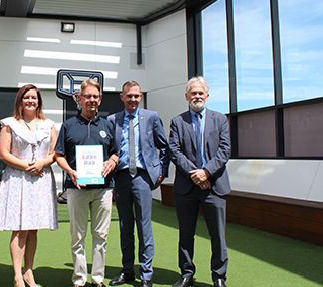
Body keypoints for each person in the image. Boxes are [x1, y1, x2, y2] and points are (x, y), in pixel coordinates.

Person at [55, 78, 120, 287]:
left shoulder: (108, 125)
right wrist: (70, 171)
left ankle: (97, 279)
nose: (91, 100)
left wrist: (112, 161)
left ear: (99, 100)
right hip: (77, 188)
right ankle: (79, 279)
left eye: (95, 96)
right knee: (78, 236)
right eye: (87, 96)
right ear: (80, 99)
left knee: (101, 236)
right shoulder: (68, 125)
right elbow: (58, 155)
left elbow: (116, 153)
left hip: (103, 190)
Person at [168, 76, 231, 287]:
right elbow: (175, 152)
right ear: (187, 96)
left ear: (207, 96)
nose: (197, 96)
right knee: (186, 234)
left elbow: (225, 151)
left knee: (218, 235)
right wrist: (196, 175)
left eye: (200, 93)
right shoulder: (177, 121)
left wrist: (206, 173)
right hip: (187, 187)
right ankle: (187, 273)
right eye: (193, 93)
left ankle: (219, 277)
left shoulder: (220, 119)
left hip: (214, 186)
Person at [107, 81, 170, 287]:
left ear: (140, 96)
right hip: (122, 177)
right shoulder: (112, 120)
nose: (133, 99)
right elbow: (107, 149)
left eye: (136, 96)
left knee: (144, 227)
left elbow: (164, 147)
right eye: (129, 96)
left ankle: (146, 275)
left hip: (143, 177)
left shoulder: (151, 117)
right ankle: (127, 271)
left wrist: (161, 172)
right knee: (125, 226)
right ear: (122, 97)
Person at [0, 84, 58, 287]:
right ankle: (17, 275)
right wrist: (27, 166)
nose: (30, 101)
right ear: (20, 100)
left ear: (39, 101)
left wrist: (41, 163)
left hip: (40, 180)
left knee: (32, 229)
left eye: (34, 97)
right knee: (19, 228)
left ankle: (28, 271)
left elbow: (54, 153)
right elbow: (3, 154)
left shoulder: (48, 124)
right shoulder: (9, 124)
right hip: (17, 180)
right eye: (26, 97)